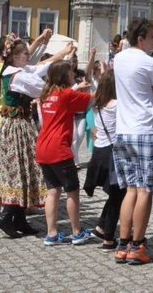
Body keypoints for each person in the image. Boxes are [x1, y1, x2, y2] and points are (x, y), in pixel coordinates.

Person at [113, 17, 153, 265]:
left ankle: (123, 243)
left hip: (123, 130)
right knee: (145, 190)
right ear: (140, 38)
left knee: (130, 188)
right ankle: (138, 245)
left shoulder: (118, 58)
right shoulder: (149, 63)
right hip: (144, 129)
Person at [0, 34, 72, 238]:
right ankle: (5, 216)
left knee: (25, 169)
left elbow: (38, 69)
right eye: (25, 53)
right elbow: (42, 88)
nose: (29, 56)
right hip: (17, 126)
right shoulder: (17, 75)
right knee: (18, 171)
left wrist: (62, 54)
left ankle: (19, 219)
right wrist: (67, 90)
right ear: (15, 56)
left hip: (20, 125)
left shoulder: (16, 70)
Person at [36, 60, 94, 245]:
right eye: (70, 73)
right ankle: (77, 232)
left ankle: (51, 234)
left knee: (52, 191)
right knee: (72, 191)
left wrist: (78, 89)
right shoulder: (67, 94)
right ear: (64, 76)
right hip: (59, 149)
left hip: (43, 148)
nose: (73, 75)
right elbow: (93, 98)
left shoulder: (46, 94)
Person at [83, 68, 126, 251]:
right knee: (118, 195)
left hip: (99, 152)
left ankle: (101, 227)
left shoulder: (98, 104)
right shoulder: (117, 105)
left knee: (115, 195)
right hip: (112, 153)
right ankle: (108, 239)